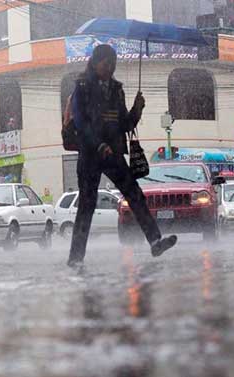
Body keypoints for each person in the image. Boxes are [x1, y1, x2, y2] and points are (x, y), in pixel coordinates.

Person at [67, 44, 177, 268]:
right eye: (106, 64)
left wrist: (137, 110)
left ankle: (155, 241)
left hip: (114, 153)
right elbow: (80, 122)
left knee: (135, 194)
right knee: (86, 205)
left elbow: (124, 124)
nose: (110, 68)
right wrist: (98, 145)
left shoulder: (117, 89)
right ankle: (76, 258)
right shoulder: (82, 86)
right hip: (91, 154)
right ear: (95, 63)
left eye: (113, 64)